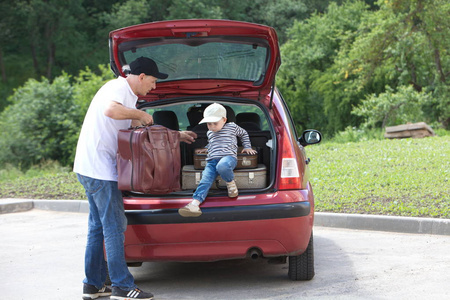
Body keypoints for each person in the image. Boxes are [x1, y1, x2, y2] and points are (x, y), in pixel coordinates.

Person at [73, 56, 197, 300]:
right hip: (99, 170)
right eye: (152, 81)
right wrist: (138, 114)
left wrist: (175, 136)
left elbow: (143, 132)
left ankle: (93, 285)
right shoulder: (118, 87)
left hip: (89, 167)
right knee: (114, 227)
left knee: (97, 228)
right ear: (140, 77)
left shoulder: (128, 95)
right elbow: (112, 110)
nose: (154, 87)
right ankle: (121, 285)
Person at [178, 103, 257, 217]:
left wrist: (247, 146)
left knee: (222, 166)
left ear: (224, 120)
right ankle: (195, 203)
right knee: (205, 179)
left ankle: (230, 183)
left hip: (228, 158)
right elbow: (213, 143)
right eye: (209, 124)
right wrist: (205, 149)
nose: (212, 126)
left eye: (215, 123)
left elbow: (244, 133)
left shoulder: (232, 127)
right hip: (212, 160)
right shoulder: (210, 132)